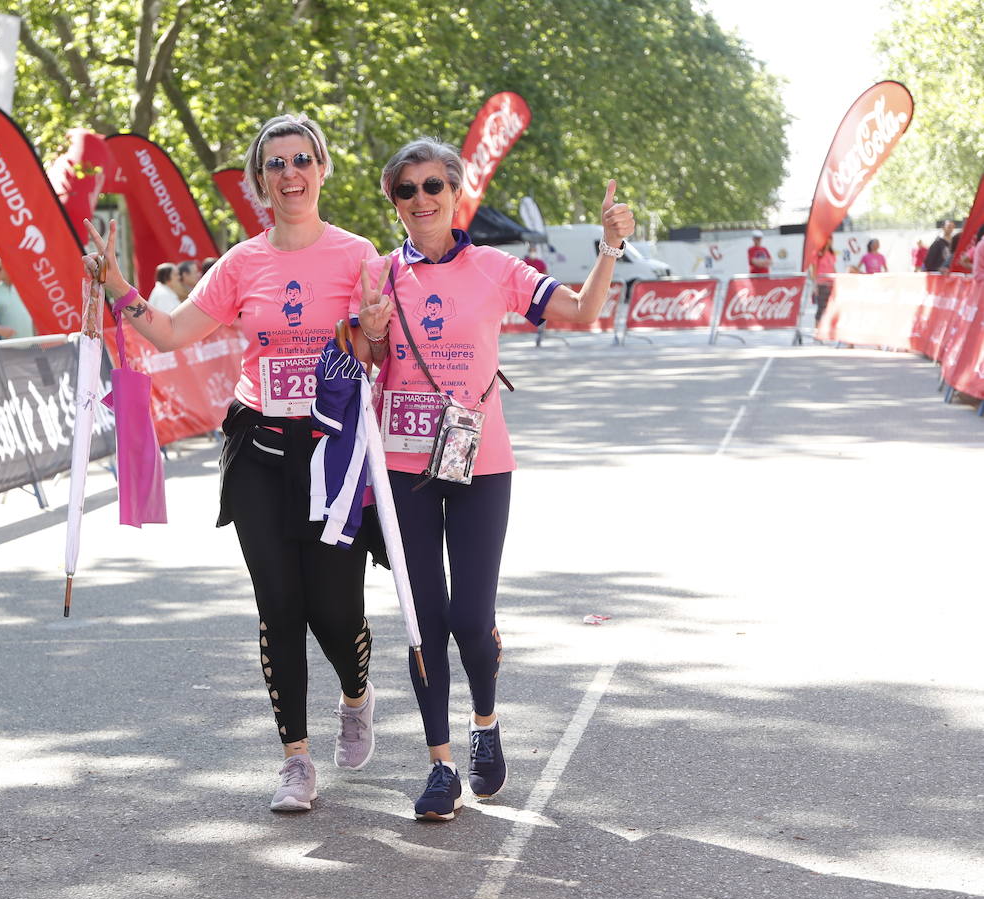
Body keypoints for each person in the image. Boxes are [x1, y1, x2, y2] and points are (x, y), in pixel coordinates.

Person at [81, 113, 381, 814]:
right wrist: (122, 284)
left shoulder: (359, 254)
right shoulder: (243, 263)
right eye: (275, 164)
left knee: (335, 613)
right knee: (278, 607)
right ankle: (295, 761)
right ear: (258, 182)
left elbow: (380, 346)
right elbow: (174, 330)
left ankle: (357, 696)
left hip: (332, 457)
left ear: (323, 169)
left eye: (301, 159)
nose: (290, 174)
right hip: (259, 450)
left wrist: (377, 331)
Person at [357, 138, 633, 821]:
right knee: (424, 623)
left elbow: (580, 312)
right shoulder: (378, 275)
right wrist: (365, 331)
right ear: (393, 204)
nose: (420, 200)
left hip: (481, 465)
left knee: (471, 620)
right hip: (401, 467)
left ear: (455, 194)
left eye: (432, 186)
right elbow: (357, 364)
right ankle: (440, 765)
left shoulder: (496, 268)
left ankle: (484, 723)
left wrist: (609, 249)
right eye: (405, 191)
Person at [813, 239, 837, 322]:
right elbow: (814, 270)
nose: (830, 241)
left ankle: (827, 331)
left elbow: (833, 268)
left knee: (831, 308)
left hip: (831, 284)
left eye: (831, 239)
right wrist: (815, 285)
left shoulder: (831, 253)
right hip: (822, 284)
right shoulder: (817, 254)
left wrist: (836, 280)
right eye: (828, 239)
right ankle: (817, 331)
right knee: (821, 308)